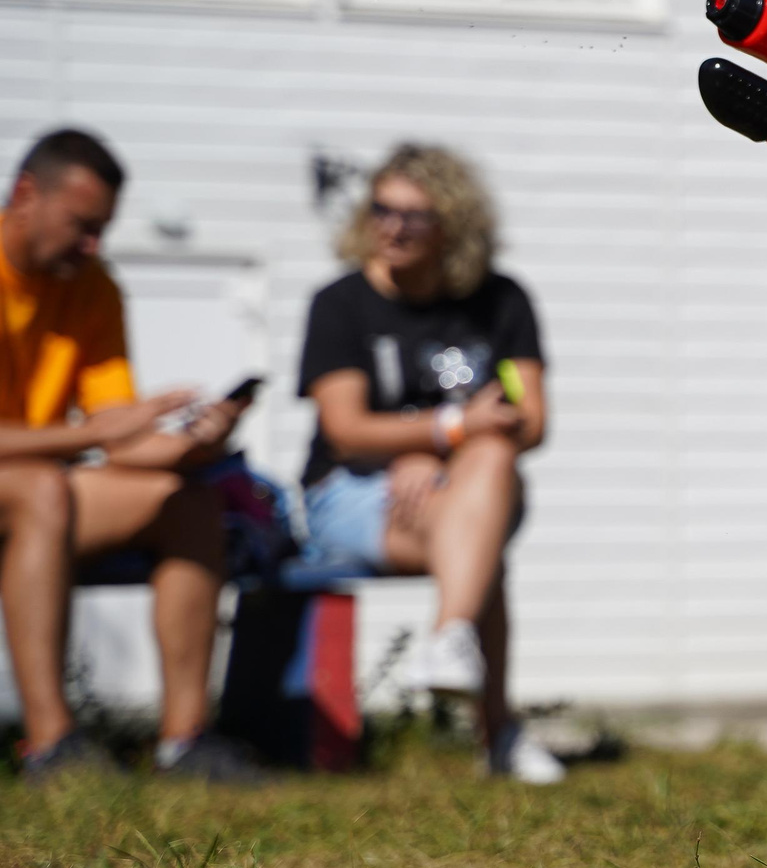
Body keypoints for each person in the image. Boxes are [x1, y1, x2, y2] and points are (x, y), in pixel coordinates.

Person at [0, 130, 264, 783]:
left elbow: (119, 430)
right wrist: (104, 435)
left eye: (102, 230)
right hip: (32, 489)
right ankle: (50, 742)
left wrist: (195, 442)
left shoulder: (92, 287)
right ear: (26, 194)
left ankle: (184, 741)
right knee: (42, 487)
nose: (94, 245)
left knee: (187, 502)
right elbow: (101, 434)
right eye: (82, 225)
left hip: (36, 493)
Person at [296, 144, 561, 783]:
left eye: (414, 217)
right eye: (382, 210)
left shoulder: (501, 301)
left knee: (492, 462)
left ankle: (448, 642)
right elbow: (345, 430)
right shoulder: (341, 303)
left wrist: (440, 453)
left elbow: (529, 420)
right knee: (479, 543)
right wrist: (445, 429)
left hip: (463, 486)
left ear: (454, 225)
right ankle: (496, 729)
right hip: (351, 493)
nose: (393, 228)